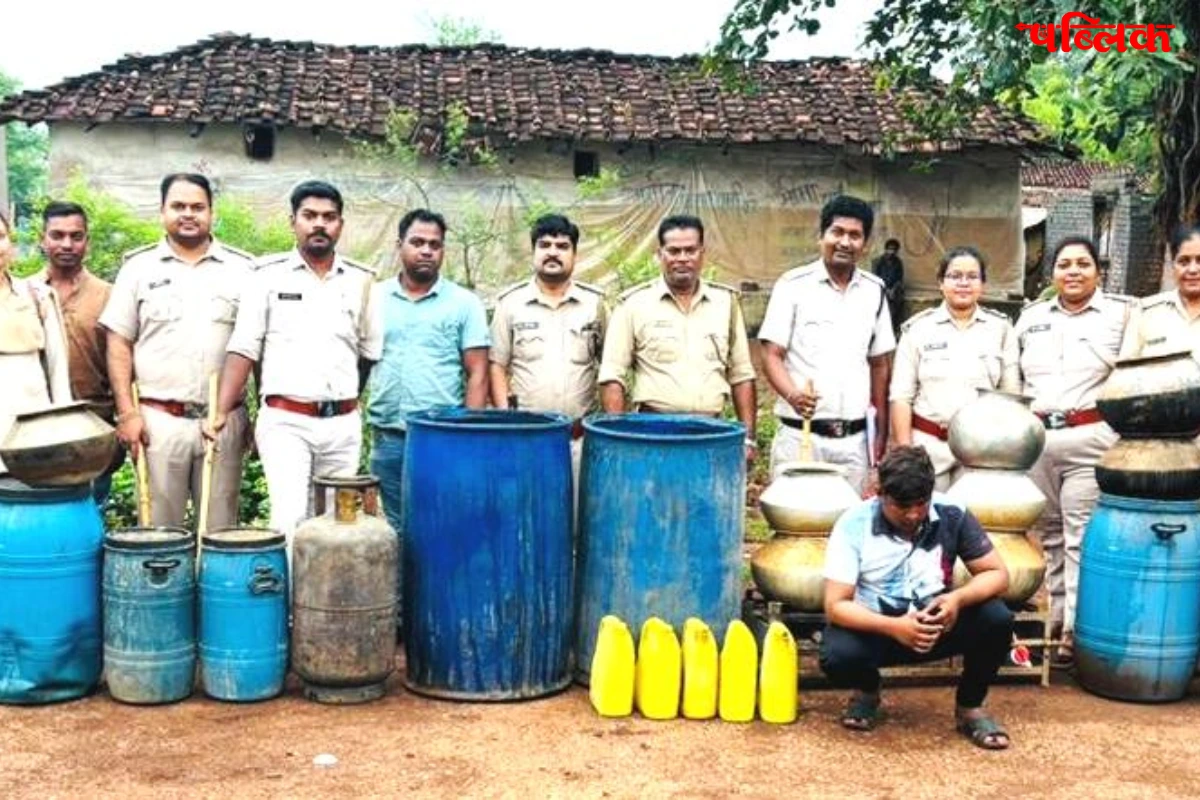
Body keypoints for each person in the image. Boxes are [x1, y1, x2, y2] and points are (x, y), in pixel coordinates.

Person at [208, 180, 381, 542]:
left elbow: (366, 355)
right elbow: (244, 348)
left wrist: (344, 401)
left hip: (342, 425)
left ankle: (325, 600)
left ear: (340, 225)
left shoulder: (362, 281)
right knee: (290, 518)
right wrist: (220, 412)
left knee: (338, 523)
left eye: (329, 217)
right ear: (293, 222)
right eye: (310, 216)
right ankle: (287, 600)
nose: (319, 224)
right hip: (286, 421)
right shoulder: (266, 276)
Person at [820, 446, 1012, 750]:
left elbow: (997, 574)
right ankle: (867, 691)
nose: (913, 514)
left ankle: (970, 707)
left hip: (938, 626)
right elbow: (835, 605)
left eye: (921, 504)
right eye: (902, 506)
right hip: (879, 631)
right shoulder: (853, 524)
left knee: (997, 618)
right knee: (837, 655)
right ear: (879, 492)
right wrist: (895, 627)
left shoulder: (953, 513)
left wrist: (957, 599)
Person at [102, 174, 253, 529]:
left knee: (219, 536)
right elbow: (118, 343)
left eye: (198, 207)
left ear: (212, 213)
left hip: (223, 421)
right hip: (159, 423)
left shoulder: (243, 270)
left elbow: (253, 346)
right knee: (158, 535)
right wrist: (127, 414)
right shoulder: (138, 269)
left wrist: (255, 419)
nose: (189, 214)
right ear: (162, 212)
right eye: (178, 206)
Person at [1014, 235, 1138, 668]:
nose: (1073, 272)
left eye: (1082, 264)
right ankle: (1054, 620)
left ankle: (1074, 632)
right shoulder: (1029, 319)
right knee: (1047, 535)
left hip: (1092, 438)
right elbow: (1016, 382)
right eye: (1064, 264)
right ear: (1052, 273)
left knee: (1079, 535)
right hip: (1037, 440)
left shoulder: (1122, 315)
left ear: (1097, 270)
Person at [366, 207, 488, 611]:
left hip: (442, 439)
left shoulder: (464, 303)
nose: (426, 251)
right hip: (388, 437)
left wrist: (468, 435)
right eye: (417, 242)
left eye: (434, 245)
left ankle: (439, 610)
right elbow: (360, 365)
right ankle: (399, 614)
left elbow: (477, 372)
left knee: (442, 525)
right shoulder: (374, 299)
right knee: (392, 529)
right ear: (399, 245)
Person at [759, 195, 894, 495]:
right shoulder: (792, 286)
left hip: (855, 442)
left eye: (854, 235)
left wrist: (882, 435)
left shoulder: (875, 291)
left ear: (866, 243)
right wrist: (793, 395)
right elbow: (771, 354)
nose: (845, 242)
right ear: (821, 237)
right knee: (796, 530)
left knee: (848, 533)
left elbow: (880, 365)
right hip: (801, 436)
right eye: (837, 232)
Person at [598, 214, 757, 457]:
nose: (682, 258)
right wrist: (620, 439)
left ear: (702, 253)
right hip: (653, 436)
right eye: (674, 251)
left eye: (690, 250)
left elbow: (742, 375)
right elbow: (612, 376)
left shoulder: (726, 303)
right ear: (660, 254)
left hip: (712, 436)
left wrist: (748, 440)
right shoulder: (633, 304)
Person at [889, 246, 1020, 490]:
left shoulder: (1001, 329)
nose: (963, 283)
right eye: (954, 276)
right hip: (928, 446)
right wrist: (907, 455)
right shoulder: (918, 329)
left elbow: (1011, 398)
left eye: (972, 277)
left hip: (981, 451)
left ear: (983, 284)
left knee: (973, 522)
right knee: (927, 522)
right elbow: (900, 397)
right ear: (941, 282)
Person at [490, 213, 605, 477]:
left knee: (577, 514)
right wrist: (507, 421)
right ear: (533, 252)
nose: (553, 252)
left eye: (563, 246)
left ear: (575, 255)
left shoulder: (595, 305)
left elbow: (611, 367)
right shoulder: (510, 303)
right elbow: (497, 366)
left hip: (580, 440)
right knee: (526, 513)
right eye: (544, 245)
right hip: (525, 439)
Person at [30, 202, 121, 509]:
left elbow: (123, 364)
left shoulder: (110, 296)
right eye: (57, 235)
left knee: (90, 516)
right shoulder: (23, 294)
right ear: (42, 239)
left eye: (76, 236)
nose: (67, 244)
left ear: (87, 241)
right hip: (33, 431)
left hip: (94, 429)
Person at [0, 210, 72, 474]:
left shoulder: (38, 296)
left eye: (1, 236)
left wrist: (63, 432)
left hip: (32, 441)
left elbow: (58, 371)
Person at [1131, 224, 1200, 357]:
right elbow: (1126, 370)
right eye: (1184, 262)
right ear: (1173, 265)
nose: (1192, 270)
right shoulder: (1145, 312)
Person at [872, 237, 905, 330]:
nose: (891, 252)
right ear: (886, 249)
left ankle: (894, 328)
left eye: (894, 250)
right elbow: (875, 278)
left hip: (893, 290)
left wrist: (893, 290)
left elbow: (900, 279)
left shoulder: (898, 262)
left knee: (896, 305)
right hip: (880, 288)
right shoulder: (878, 261)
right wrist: (885, 290)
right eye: (890, 249)